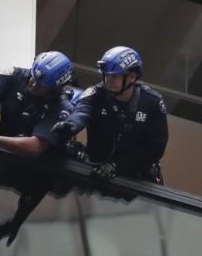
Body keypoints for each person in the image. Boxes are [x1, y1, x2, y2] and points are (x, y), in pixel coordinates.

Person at [0, 51, 76, 245]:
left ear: (56, 88)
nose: (33, 83)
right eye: (33, 76)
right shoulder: (18, 75)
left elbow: (35, 147)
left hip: (28, 170)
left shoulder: (62, 108)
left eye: (41, 84)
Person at [52, 46, 168, 183]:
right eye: (106, 75)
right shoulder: (95, 93)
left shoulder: (152, 102)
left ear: (132, 77)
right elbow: (82, 111)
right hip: (95, 173)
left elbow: (156, 148)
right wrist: (70, 126)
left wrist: (119, 166)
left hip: (135, 180)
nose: (108, 80)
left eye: (114, 76)